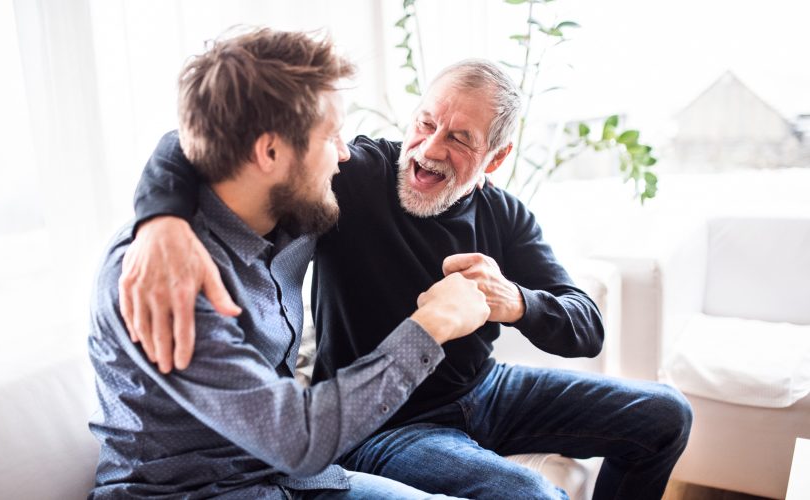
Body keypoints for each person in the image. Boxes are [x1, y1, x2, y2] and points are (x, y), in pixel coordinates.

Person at [123, 56, 693, 499]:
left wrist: (513, 301)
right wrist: (160, 222)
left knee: (667, 416)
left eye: (460, 139)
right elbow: (190, 140)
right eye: (426, 123)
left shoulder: (505, 215)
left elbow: (586, 328)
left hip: (482, 392)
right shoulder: (356, 174)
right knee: (526, 493)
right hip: (384, 422)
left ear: (494, 160)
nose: (429, 149)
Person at [88, 27, 493, 499]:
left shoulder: (288, 213)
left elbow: (183, 139)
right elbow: (298, 441)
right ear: (270, 151)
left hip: (290, 481)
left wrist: (160, 212)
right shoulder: (169, 274)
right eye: (332, 136)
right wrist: (433, 324)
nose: (345, 154)